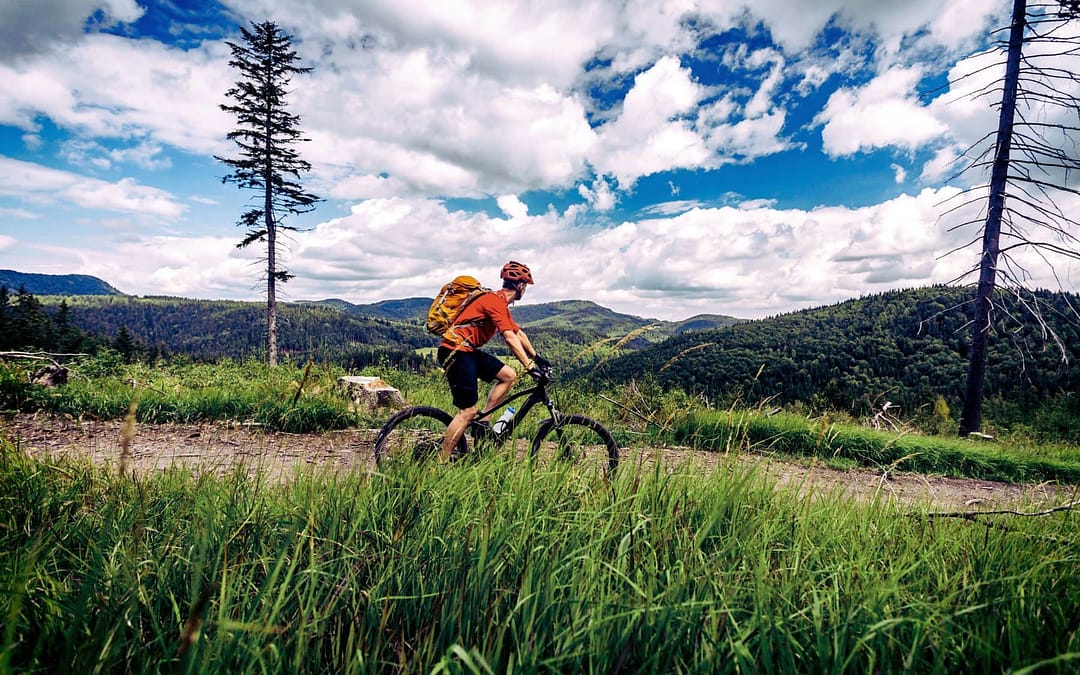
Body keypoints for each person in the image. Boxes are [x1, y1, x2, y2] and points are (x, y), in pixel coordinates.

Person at [438, 261, 549, 462]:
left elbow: (518, 332)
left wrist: (537, 357)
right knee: (467, 411)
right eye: (525, 285)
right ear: (521, 286)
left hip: (467, 351)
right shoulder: (494, 301)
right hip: (455, 352)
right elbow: (509, 337)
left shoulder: (499, 302)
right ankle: (439, 462)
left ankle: (483, 423)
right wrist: (530, 367)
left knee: (508, 375)